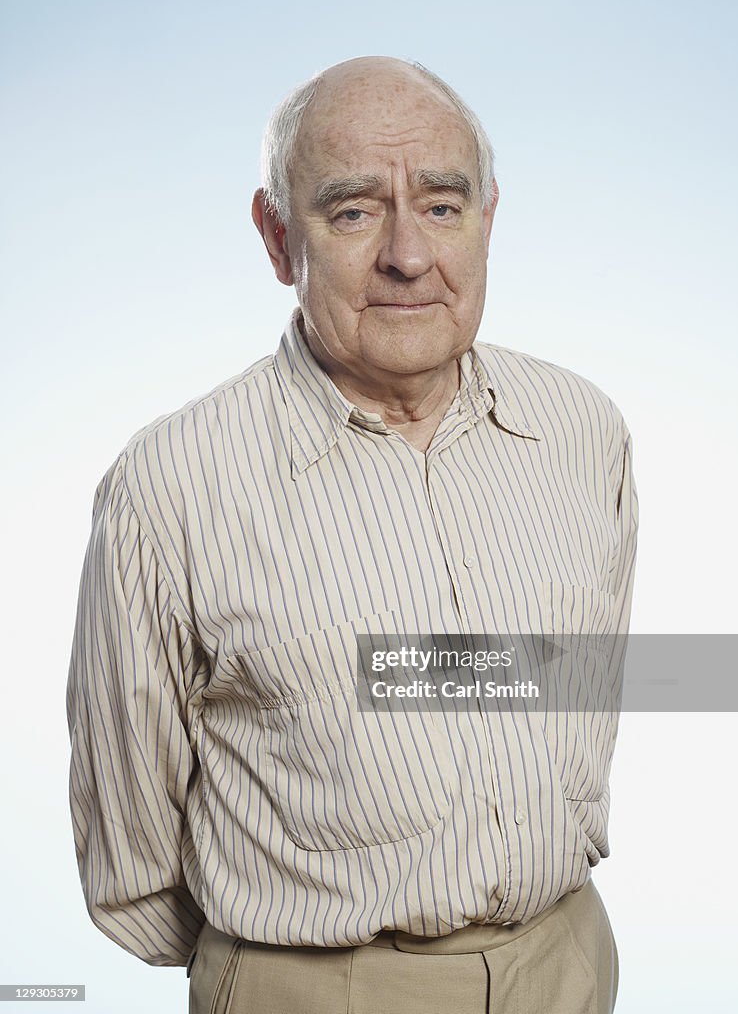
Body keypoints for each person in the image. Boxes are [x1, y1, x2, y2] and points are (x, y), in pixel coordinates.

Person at [67, 56, 638, 1013]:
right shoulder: (168, 486)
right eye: (353, 211)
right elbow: (130, 838)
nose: (409, 256)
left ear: (488, 216)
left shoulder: (582, 429)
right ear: (276, 236)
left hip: (566, 964)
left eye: (443, 206)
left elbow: (587, 687)